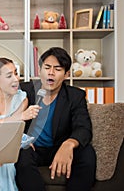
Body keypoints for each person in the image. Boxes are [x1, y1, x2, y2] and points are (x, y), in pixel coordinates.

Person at [15, 47, 96, 191]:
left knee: (87, 152)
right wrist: (21, 138)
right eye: (47, 67)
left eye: (58, 69)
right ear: (40, 70)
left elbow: (83, 128)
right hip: (32, 148)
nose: (51, 72)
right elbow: (3, 112)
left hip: (59, 147)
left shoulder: (75, 96)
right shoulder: (24, 91)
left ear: (66, 74)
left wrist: (69, 144)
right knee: (22, 153)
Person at [0, 57, 39, 191]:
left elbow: (12, 128)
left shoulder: (22, 98)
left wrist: (18, 120)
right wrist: (20, 116)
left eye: (16, 73)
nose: (16, 79)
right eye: (9, 76)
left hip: (8, 143)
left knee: (7, 163)